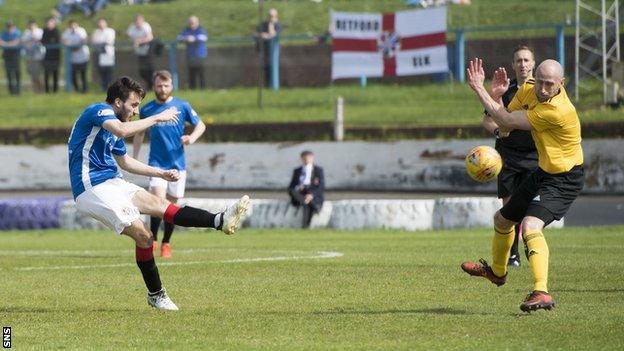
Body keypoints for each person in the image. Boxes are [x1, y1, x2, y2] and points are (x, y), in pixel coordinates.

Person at [68, 76, 249, 310]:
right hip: (91, 188)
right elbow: (123, 130)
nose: (135, 111)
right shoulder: (99, 110)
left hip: (113, 181)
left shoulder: (114, 126)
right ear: (116, 102)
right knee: (145, 236)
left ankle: (219, 220)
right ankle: (156, 294)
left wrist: (160, 173)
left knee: (162, 206)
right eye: (133, 105)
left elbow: (125, 162)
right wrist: (156, 117)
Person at [461, 58, 584, 312]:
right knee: (502, 220)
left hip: (565, 178)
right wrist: (496, 97)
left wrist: (479, 88)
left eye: (549, 84)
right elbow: (502, 128)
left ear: (561, 84)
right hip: (544, 172)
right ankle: (497, 272)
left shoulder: (558, 111)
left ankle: (542, 292)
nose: (542, 88)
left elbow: (506, 122)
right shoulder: (529, 88)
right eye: (540, 81)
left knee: (529, 226)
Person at [132, 70, 206, 258]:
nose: (162, 89)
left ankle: (166, 243)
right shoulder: (148, 109)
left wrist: (191, 137)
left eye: (166, 85)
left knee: (171, 207)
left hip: (177, 164)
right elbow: (139, 133)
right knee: (158, 202)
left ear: (171, 86)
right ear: (154, 86)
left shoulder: (182, 106)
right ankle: (153, 239)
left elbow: (201, 125)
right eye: (159, 85)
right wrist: (134, 156)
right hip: (156, 164)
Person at [482, 45, 538, 268]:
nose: (523, 64)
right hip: (507, 157)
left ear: (533, 63)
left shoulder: (542, 91)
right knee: (509, 209)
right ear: (513, 64)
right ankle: (512, 255)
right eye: (518, 61)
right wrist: (498, 131)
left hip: (535, 157)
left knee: (530, 210)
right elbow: (488, 120)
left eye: (526, 60)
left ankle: (530, 247)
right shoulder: (506, 89)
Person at [288, 150, 324, 228]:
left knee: (306, 202)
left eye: (309, 158)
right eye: (305, 158)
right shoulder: (297, 171)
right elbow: (291, 186)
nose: (307, 160)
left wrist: (311, 194)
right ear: (302, 158)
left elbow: (321, 186)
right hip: (300, 193)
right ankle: (313, 205)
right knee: (293, 191)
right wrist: (298, 187)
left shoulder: (318, 170)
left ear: (312, 158)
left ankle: (305, 226)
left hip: (310, 192)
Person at [177, 16, 207, 90]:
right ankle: (192, 89)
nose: (191, 25)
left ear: (197, 23)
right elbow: (178, 38)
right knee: (191, 73)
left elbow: (204, 37)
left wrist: (194, 38)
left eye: (193, 23)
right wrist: (185, 38)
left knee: (201, 73)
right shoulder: (186, 30)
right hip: (190, 56)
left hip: (200, 55)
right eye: (190, 23)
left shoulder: (201, 29)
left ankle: (203, 89)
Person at [62, 20, 90, 93]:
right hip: (72, 58)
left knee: (83, 74)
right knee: (73, 75)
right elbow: (64, 40)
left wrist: (75, 46)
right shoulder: (67, 32)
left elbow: (83, 40)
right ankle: (77, 89)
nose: (73, 27)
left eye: (74, 25)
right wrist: (71, 46)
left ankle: (84, 90)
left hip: (82, 57)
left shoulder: (81, 31)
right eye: (71, 26)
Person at [127, 14, 154, 89]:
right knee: (141, 70)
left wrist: (139, 41)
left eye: (139, 21)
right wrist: (135, 42)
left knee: (150, 68)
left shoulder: (146, 26)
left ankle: (151, 85)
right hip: (139, 51)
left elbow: (150, 37)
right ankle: (150, 84)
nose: (138, 23)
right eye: (136, 21)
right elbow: (130, 37)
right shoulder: (132, 27)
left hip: (148, 50)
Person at [256, 8, 281, 87]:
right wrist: (263, 35)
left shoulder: (277, 24)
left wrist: (271, 25)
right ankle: (266, 85)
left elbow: (274, 34)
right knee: (265, 68)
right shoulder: (263, 24)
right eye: (270, 16)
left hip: (273, 51)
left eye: (273, 16)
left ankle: (273, 85)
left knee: (273, 68)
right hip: (264, 49)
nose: (271, 18)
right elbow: (257, 33)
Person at [91, 18, 115, 91]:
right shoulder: (96, 32)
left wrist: (100, 43)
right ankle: (103, 87)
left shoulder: (110, 31)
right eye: (100, 23)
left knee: (108, 71)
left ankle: (109, 87)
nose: (101, 24)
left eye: (102, 23)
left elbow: (108, 41)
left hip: (107, 54)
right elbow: (94, 41)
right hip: (99, 53)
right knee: (101, 71)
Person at [22, 20, 45, 93]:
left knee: (37, 73)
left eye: (33, 25)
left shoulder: (40, 31)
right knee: (32, 73)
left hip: (38, 56)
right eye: (30, 25)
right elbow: (23, 41)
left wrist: (34, 36)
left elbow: (41, 40)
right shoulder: (26, 32)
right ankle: (35, 89)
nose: (31, 27)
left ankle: (40, 89)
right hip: (30, 56)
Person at [0, 21, 22, 95]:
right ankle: (11, 91)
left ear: (13, 26)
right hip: (7, 56)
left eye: (11, 26)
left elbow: (16, 42)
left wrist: (6, 44)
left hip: (15, 56)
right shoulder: (4, 33)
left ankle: (18, 91)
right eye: (8, 26)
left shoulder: (17, 33)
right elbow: (1, 42)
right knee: (9, 74)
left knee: (17, 73)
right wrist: (10, 44)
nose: (9, 28)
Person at [42, 17, 61, 93]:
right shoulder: (45, 31)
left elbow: (57, 41)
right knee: (46, 74)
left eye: (51, 22)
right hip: (47, 56)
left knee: (55, 74)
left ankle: (55, 91)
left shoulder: (56, 31)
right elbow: (43, 41)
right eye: (48, 22)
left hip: (55, 56)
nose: (49, 24)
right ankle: (47, 91)